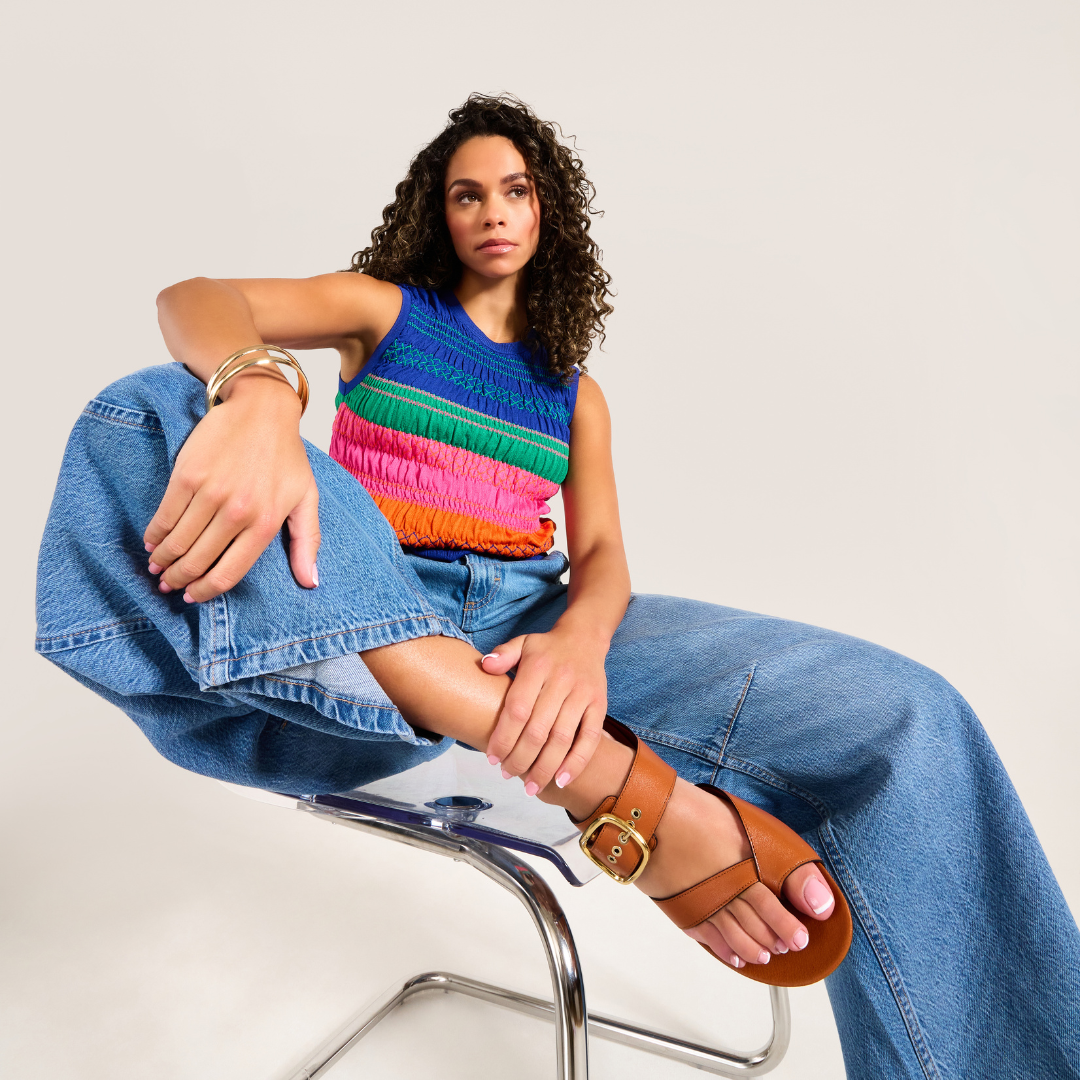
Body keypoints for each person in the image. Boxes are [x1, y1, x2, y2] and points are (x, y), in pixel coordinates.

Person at [36, 94, 1079, 1078]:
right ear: (437, 216)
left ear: (550, 212)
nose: (495, 210)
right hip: (359, 591)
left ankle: (505, 713)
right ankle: (607, 784)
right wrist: (260, 393)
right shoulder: (383, 311)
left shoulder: (575, 393)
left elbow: (607, 558)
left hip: (535, 626)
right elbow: (194, 300)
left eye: (517, 189)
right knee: (150, 408)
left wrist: (581, 644)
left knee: (910, 716)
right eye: (469, 192)